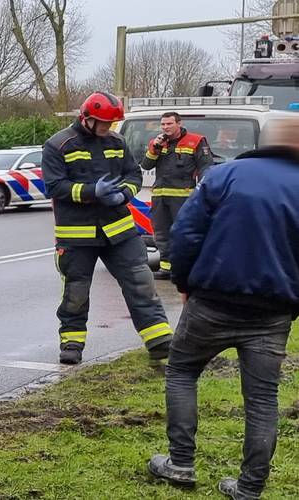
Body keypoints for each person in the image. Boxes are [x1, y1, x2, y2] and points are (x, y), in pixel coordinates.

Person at [147, 117, 299, 500]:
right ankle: (250, 488)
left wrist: (184, 283)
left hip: (212, 301)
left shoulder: (226, 175)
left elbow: (185, 233)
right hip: (272, 311)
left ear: (265, 142)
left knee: (182, 371)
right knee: (262, 399)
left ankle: (180, 462)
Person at [42, 91, 173, 365]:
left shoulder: (116, 140)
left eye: (111, 123)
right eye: (103, 123)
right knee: (76, 292)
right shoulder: (58, 145)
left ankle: (159, 339)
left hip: (119, 230)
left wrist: (123, 194)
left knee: (141, 282)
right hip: (77, 235)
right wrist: (92, 192)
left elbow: (133, 174)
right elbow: (54, 187)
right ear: (86, 118)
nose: (107, 128)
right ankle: (72, 344)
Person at [140, 111, 213, 280]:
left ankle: (187, 268)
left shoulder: (195, 141)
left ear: (179, 124)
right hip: (160, 196)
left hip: (183, 197)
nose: (165, 127)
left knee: (184, 232)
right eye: (163, 124)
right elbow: (146, 164)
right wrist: (155, 148)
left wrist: (203, 191)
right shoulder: (157, 143)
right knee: (161, 233)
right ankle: (166, 268)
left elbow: (205, 167)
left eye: (169, 124)